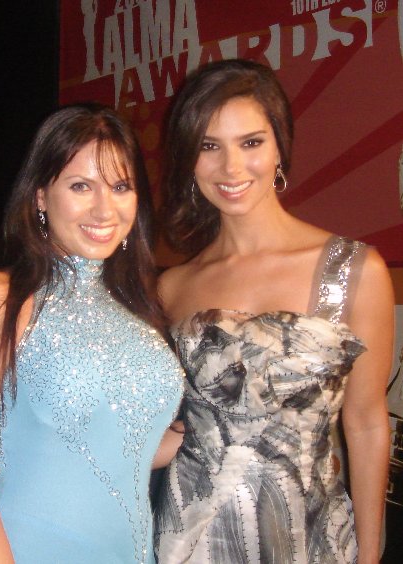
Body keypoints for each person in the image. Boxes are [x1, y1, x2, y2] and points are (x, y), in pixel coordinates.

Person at [152, 59, 394, 563]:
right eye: (208, 146)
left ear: (280, 145)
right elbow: (159, 420)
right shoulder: (173, 287)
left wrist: (370, 552)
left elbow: (367, 424)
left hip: (310, 537)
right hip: (192, 539)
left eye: (251, 142)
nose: (232, 169)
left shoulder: (351, 270)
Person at [0, 103, 183, 563]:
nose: (103, 208)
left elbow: (124, 446)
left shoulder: (140, 310)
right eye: (80, 186)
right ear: (39, 196)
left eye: (119, 186)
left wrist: (222, 425)